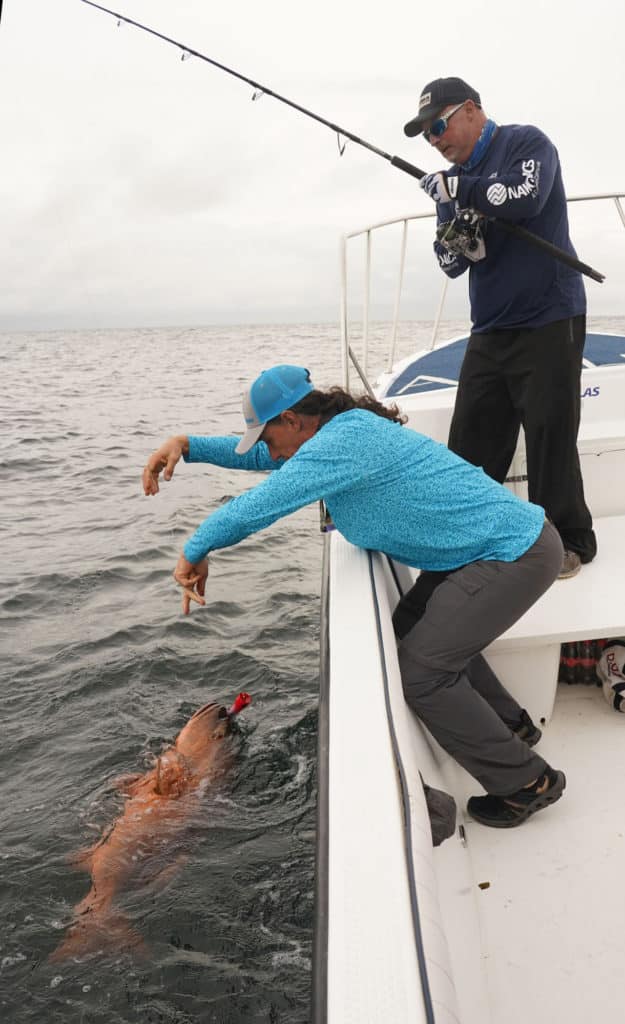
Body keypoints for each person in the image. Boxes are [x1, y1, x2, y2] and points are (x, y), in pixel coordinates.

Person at [142, 363, 567, 829]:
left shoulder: (341, 443)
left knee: (421, 674)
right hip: (485, 549)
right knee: (411, 626)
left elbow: (259, 505)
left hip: (511, 554)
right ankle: (511, 728)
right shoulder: (334, 434)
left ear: (292, 420)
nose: (266, 449)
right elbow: (266, 459)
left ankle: (526, 784)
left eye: (265, 436)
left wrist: (193, 549)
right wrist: (187, 446)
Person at [403, 77, 597, 579]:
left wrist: (461, 189)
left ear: (470, 111)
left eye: (438, 125)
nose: (434, 140)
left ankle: (569, 541)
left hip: (550, 315)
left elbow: (524, 197)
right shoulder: (451, 181)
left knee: (550, 433)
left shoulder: (526, 143)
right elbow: (450, 264)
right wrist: (454, 228)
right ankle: (470, 535)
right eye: (425, 135)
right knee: (472, 439)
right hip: (490, 326)